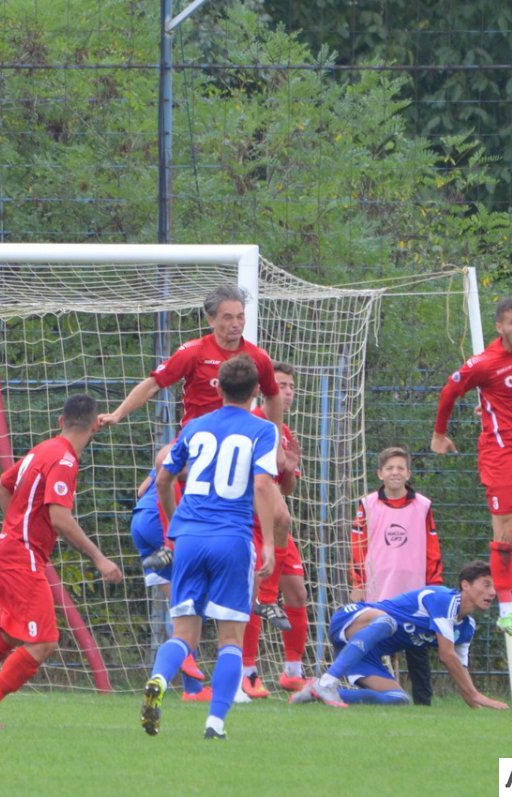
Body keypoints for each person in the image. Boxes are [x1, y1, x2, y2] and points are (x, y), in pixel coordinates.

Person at [0, 394, 123, 730]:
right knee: (44, 641)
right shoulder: (64, 460)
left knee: (6, 633)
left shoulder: (43, 448)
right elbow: (60, 518)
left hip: (8, 549)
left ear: (60, 421)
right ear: (95, 426)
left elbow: (2, 486)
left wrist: (16, 527)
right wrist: (99, 558)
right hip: (21, 554)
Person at [98, 283, 288, 571]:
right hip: (198, 446)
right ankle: (172, 543)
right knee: (164, 462)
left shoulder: (257, 357)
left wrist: (276, 444)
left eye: (240, 316)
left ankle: (268, 591)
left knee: (281, 517)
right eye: (227, 317)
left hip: (240, 446)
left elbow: (273, 395)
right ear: (211, 320)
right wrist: (118, 413)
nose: (236, 324)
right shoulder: (193, 352)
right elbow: (153, 385)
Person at [139, 356, 281, 740]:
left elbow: (164, 479)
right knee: (231, 638)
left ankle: (158, 679)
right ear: (256, 391)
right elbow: (264, 486)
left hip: (189, 539)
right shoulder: (263, 429)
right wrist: (267, 542)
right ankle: (215, 724)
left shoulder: (194, 427)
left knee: (183, 632)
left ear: (216, 387)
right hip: (232, 539)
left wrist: (173, 528)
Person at [431, 297, 512, 641]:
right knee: (507, 531)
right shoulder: (484, 363)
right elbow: (449, 390)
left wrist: (490, 404)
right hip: (501, 455)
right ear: (499, 326)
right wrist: (439, 434)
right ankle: (505, 611)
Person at [289, 561, 508, 710]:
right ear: (465, 585)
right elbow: (447, 655)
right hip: (352, 620)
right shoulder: (444, 600)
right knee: (387, 622)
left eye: (495, 587)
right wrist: (477, 694)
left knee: (399, 699)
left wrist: (477, 706)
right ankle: (327, 682)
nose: (492, 592)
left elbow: (461, 671)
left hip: (364, 653)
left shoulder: (467, 628)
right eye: (486, 584)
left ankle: (317, 690)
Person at [349, 446, 442, 705]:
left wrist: (434, 586)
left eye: (400, 467)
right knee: (370, 644)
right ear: (380, 473)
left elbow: (433, 550)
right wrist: (359, 582)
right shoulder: (367, 504)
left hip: (414, 593)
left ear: (408, 473)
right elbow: (357, 545)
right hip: (378, 591)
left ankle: (423, 703)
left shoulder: (423, 506)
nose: (395, 472)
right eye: (389, 468)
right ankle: (373, 694)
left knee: (417, 648)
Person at [239, 361, 310, 700]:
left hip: (278, 525)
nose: (287, 392)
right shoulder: (251, 423)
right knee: (253, 596)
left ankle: (292, 673)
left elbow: (287, 489)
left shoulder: (284, 432)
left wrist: (291, 468)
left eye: (291, 386)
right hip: (250, 523)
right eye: (280, 385)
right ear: (263, 391)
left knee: (297, 592)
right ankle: (247, 673)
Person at [130, 446, 209, 701]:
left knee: (181, 605)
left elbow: (142, 490)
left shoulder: (179, 447)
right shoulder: (204, 445)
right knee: (194, 603)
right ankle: (184, 657)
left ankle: (191, 689)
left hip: (141, 520)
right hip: (164, 522)